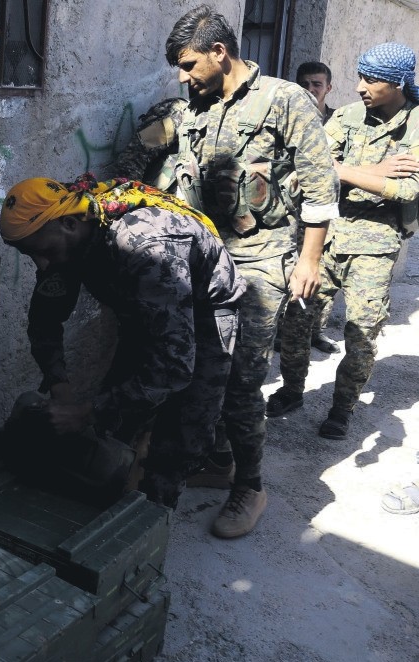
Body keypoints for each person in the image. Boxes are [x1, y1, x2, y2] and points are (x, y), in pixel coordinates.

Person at [115, 5, 340, 537]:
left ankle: (250, 485)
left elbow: (320, 187)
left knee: (240, 379)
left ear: (220, 53)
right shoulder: (187, 105)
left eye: (189, 63)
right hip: (196, 254)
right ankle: (216, 462)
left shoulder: (286, 101)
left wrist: (308, 259)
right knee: (189, 365)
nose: (182, 74)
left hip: (259, 256)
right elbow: (135, 155)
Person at [0, 174, 245, 510]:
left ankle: (156, 517)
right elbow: (44, 323)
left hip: (205, 313)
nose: (42, 264)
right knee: (118, 416)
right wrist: (61, 389)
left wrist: (85, 413)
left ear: (70, 225)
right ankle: (114, 491)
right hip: (147, 310)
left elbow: (173, 366)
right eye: (30, 256)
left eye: (43, 252)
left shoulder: (146, 248)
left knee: (181, 435)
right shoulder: (62, 245)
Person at [268, 43, 419, 439]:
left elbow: (405, 191)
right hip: (325, 239)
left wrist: (341, 171)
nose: (359, 87)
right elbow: (305, 171)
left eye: (371, 79)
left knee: (361, 334)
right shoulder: (349, 118)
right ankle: (292, 390)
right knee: (296, 322)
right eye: (359, 76)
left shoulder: (417, 125)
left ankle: (341, 408)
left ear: (399, 83)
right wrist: (370, 171)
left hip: (374, 247)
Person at [276, 61, 340, 354]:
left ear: (328, 87)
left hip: (325, 211)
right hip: (293, 209)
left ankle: (317, 331)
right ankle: (282, 331)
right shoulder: (291, 118)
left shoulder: (339, 123)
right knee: (289, 269)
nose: (311, 89)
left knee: (323, 274)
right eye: (305, 84)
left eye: (317, 84)